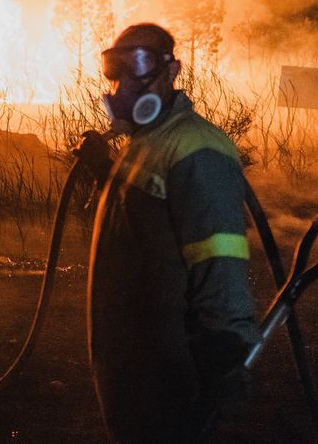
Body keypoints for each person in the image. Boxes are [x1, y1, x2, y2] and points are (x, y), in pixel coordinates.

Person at [75, 23, 260, 442]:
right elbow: (145, 218)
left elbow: (220, 260)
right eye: (116, 70)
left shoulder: (198, 149)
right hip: (130, 358)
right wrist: (103, 169)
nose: (124, 84)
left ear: (172, 70)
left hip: (167, 370)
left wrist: (226, 352)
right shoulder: (145, 141)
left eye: (138, 66)